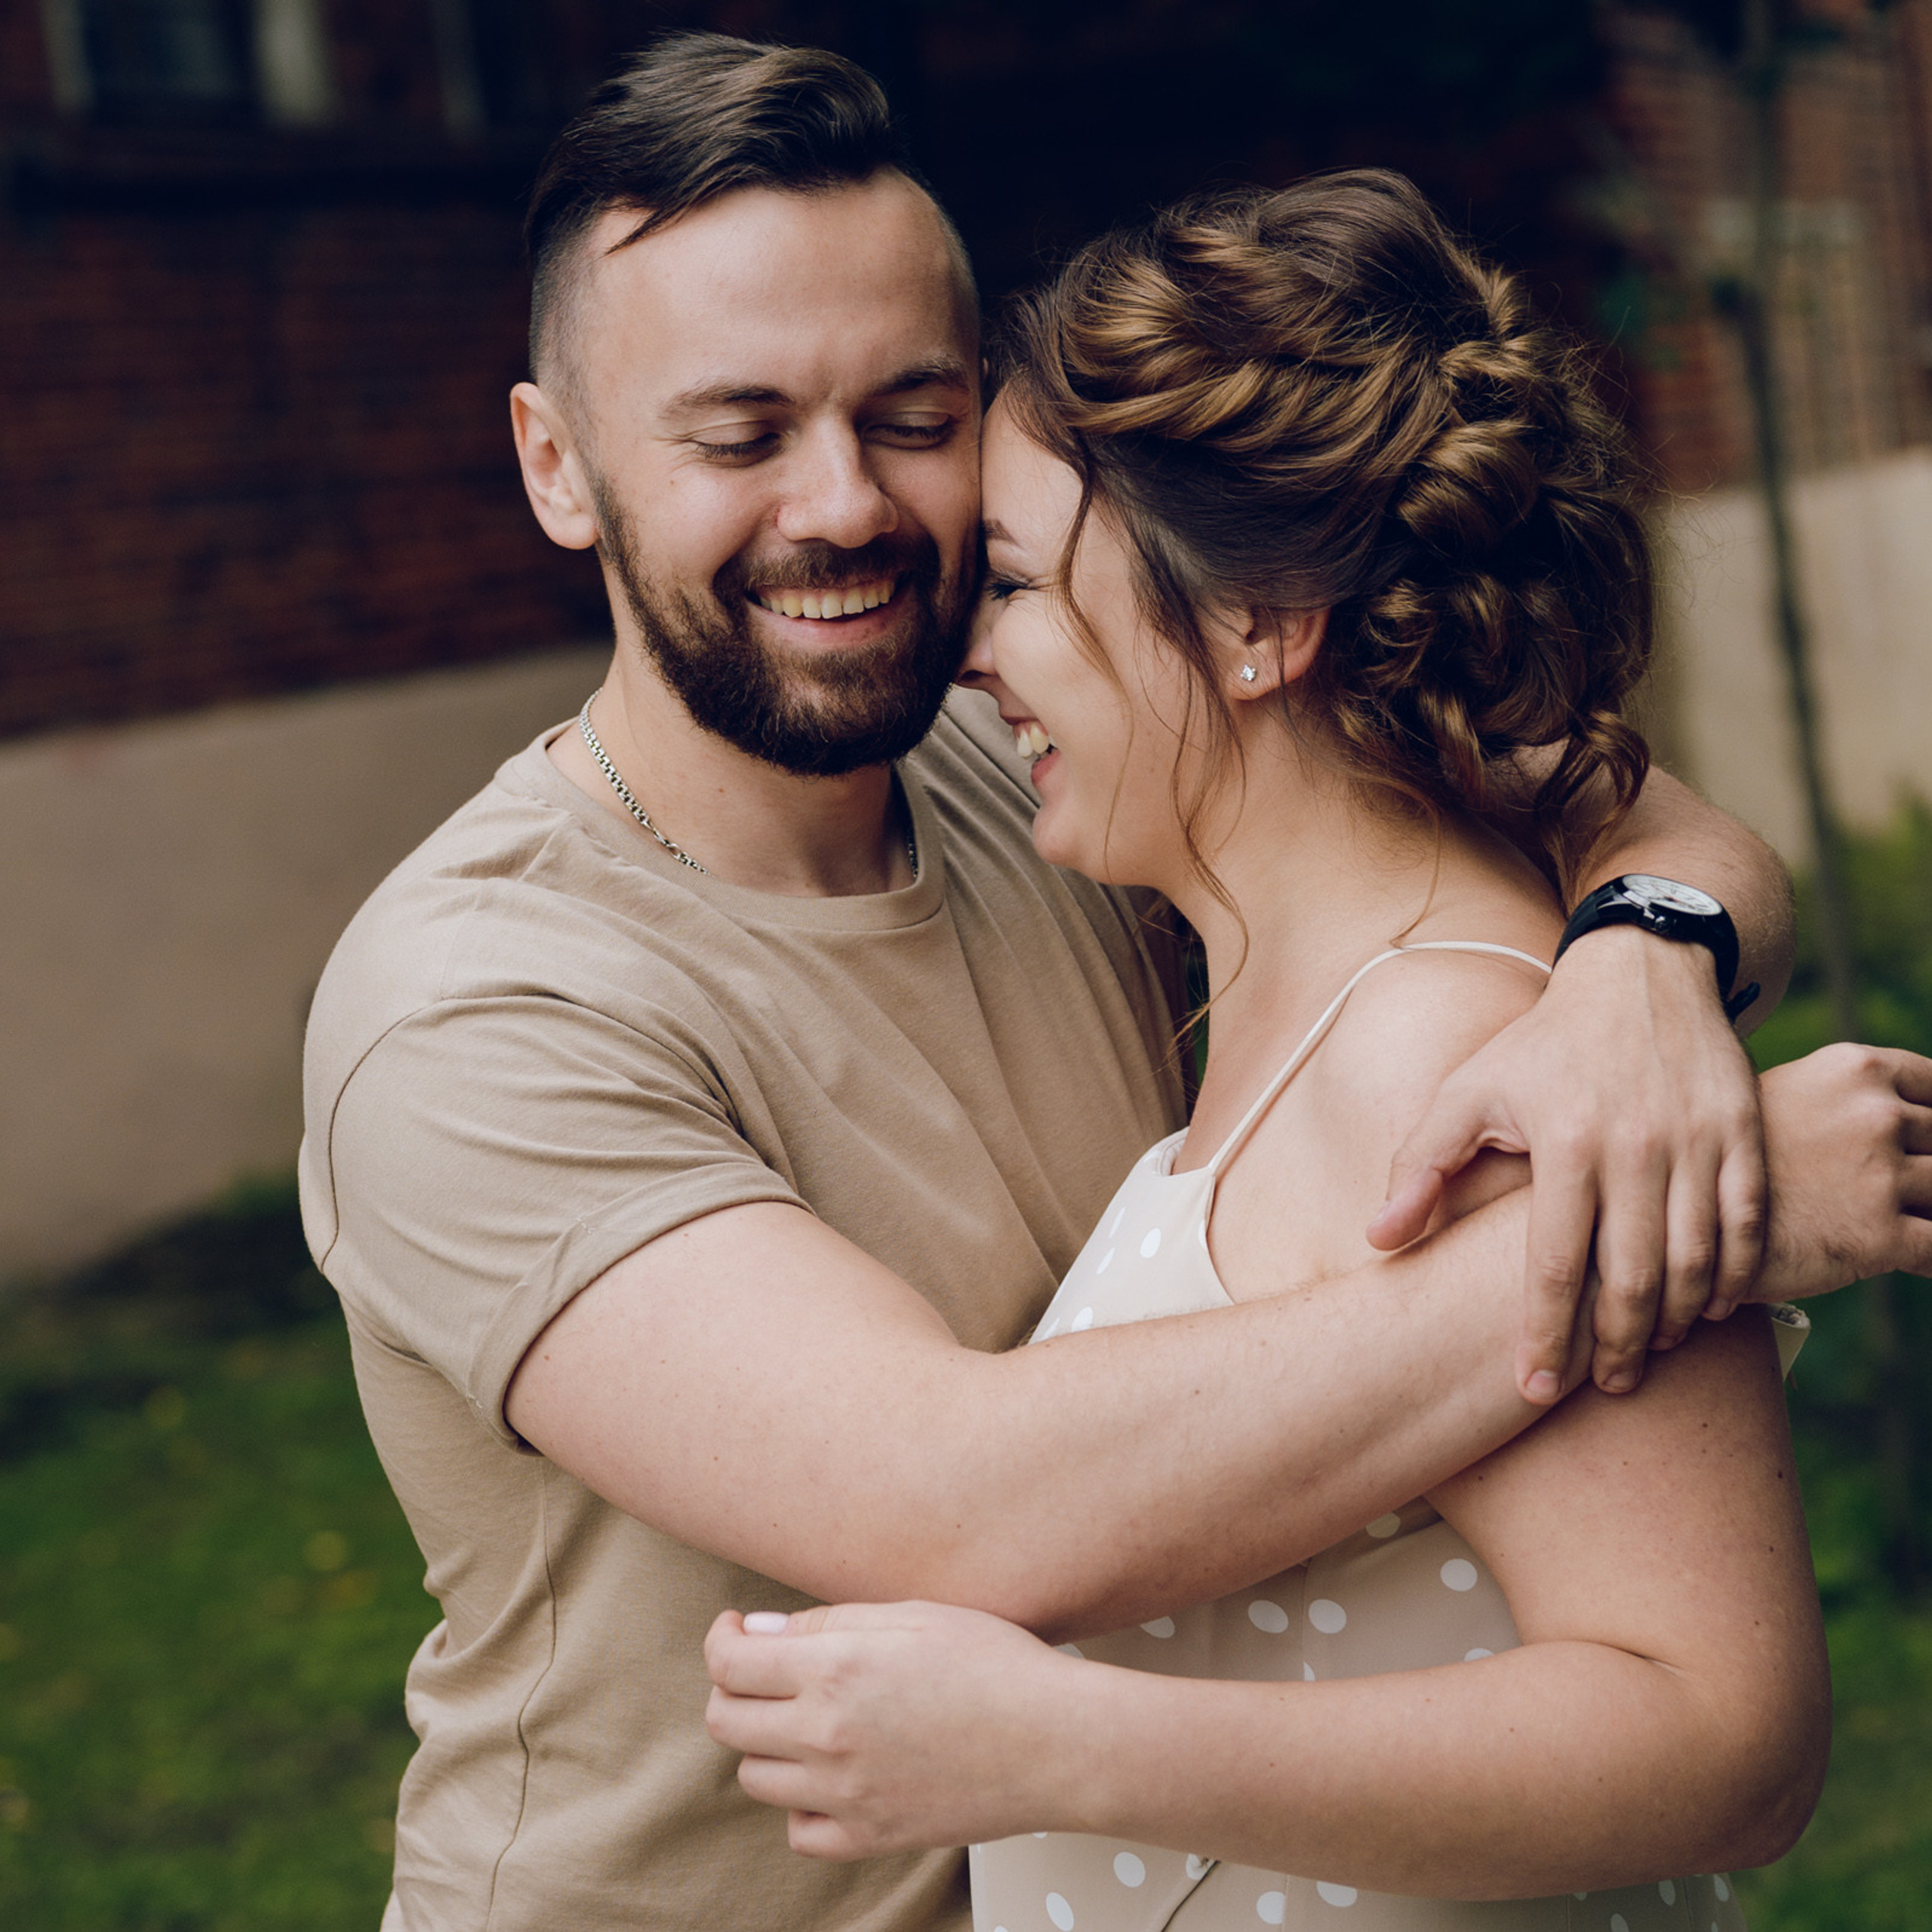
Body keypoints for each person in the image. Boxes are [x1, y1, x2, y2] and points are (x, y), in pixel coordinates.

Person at [297, 34, 1932, 1932]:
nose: (843, 506)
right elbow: (948, 1510)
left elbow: (1596, 780)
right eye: (737, 433)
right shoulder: (481, 1003)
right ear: (557, 464)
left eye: (911, 414)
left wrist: (1648, 965)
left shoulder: (1096, 782)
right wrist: (1685, 1225)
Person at [698, 169, 1906, 1929]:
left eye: (1023, 584)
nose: (972, 652)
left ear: (1258, 624)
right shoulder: (1275, 957)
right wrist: (1658, 945)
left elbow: (1719, 1735)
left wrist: (1059, 1745)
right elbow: (1604, 783)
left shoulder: (1458, 1059)